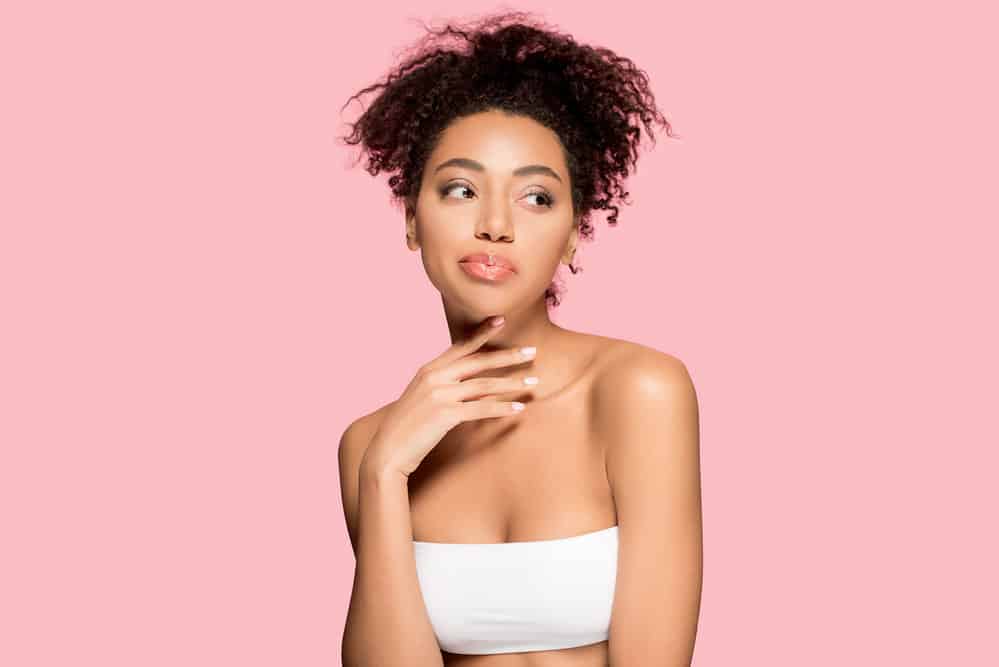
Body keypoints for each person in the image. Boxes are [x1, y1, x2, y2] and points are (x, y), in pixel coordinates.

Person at [336, 11, 702, 666]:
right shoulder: (372, 444)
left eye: (535, 197)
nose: (495, 224)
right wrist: (385, 473)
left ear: (571, 233)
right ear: (412, 220)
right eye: (459, 189)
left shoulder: (637, 391)